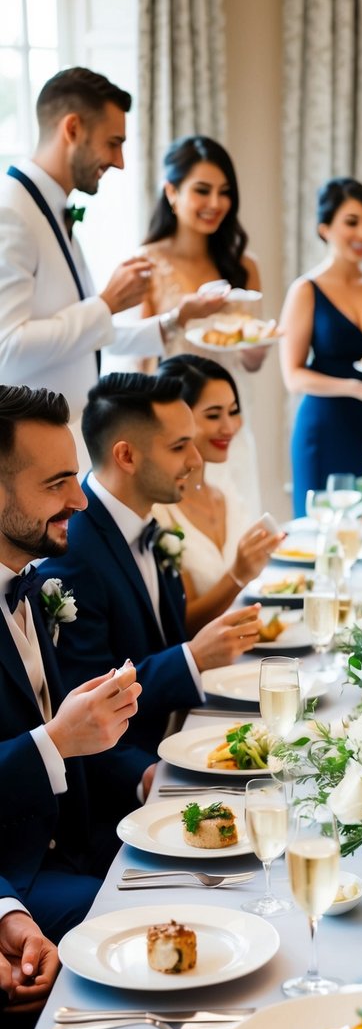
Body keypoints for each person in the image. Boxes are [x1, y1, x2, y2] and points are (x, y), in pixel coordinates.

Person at [40, 372, 262, 846]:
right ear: (126, 455)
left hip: (177, 736)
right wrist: (150, 778)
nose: (197, 459)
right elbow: (85, 700)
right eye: (180, 445)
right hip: (116, 795)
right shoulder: (75, 551)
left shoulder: (145, 523)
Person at [0, 67, 221, 421]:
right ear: (72, 129)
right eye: (113, 143)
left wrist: (176, 320)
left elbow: (85, 334)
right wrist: (106, 303)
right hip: (28, 445)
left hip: (66, 435)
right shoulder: (10, 212)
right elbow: (6, 349)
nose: (119, 162)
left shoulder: (51, 208)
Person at [0, 383, 141, 929]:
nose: (80, 500)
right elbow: (49, 744)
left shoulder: (30, 583)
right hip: (21, 876)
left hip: (80, 843)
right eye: (57, 483)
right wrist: (55, 740)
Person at [140, 135, 268, 507]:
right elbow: (138, 358)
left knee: (236, 514)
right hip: (173, 422)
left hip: (229, 420)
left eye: (224, 192)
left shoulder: (243, 265)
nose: (215, 203)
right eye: (202, 190)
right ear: (172, 192)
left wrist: (259, 345)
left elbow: (251, 360)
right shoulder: (147, 265)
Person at [279, 177, 362, 516]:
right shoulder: (305, 290)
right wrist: (353, 387)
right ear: (325, 228)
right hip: (325, 426)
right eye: (352, 222)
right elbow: (293, 376)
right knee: (321, 538)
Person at [153, 354, 281, 634]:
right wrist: (238, 574)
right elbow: (179, 624)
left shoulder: (225, 492)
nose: (230, 426)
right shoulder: (158, 511)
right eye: (213, 415)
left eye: (233, 411)